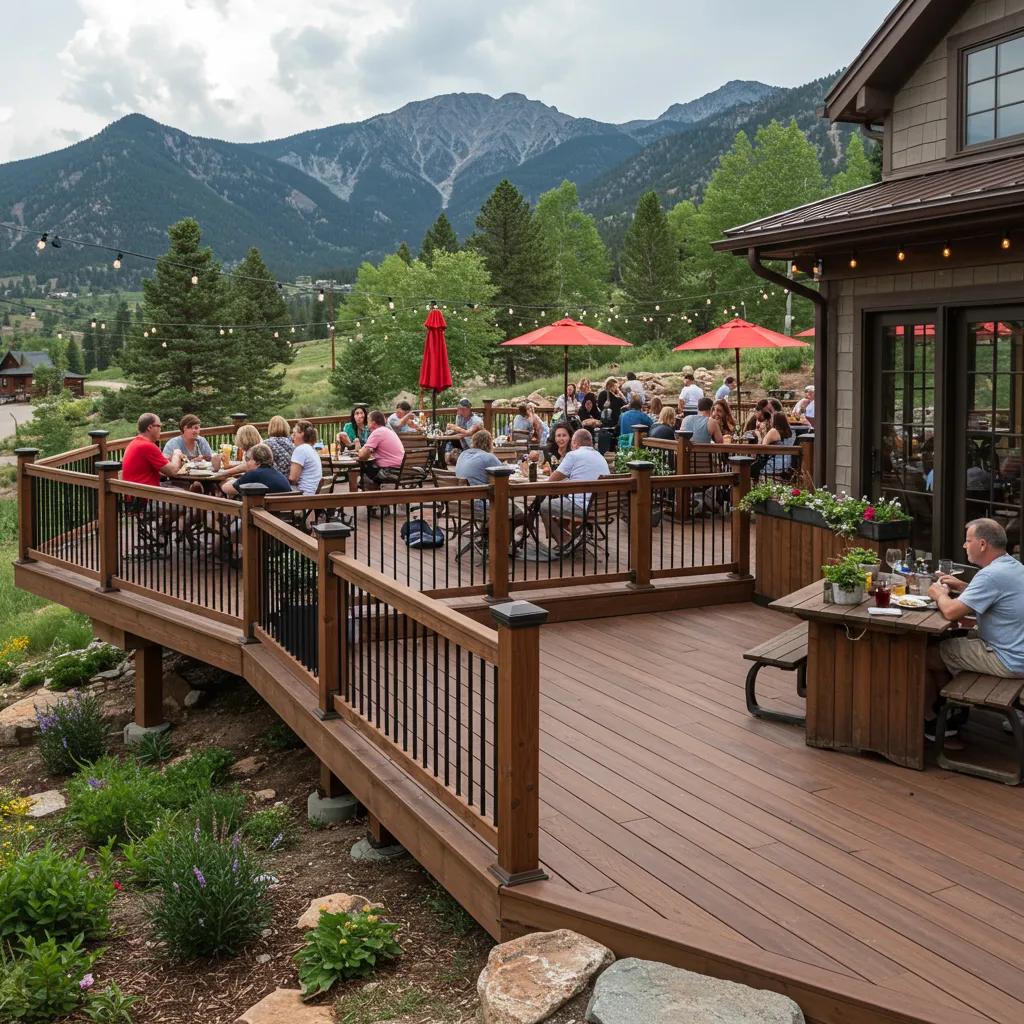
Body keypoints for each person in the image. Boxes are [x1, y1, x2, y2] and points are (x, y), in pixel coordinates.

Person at [926, 518, 1024, 741]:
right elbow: (997, 596)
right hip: (1017, 651)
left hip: (1008, 659)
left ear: (982, 544)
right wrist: (964, 588)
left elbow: (950, 612)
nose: (963, 545)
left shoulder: (990, 575)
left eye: (967, 540)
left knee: (927, 654)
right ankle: (953, 709)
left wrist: (939, 594)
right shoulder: (1013, 566)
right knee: (954, 639)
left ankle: (934, 721)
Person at [543, 429, 609, 548]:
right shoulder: (600, 456)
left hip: (582, 507)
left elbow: (552, 480)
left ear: (575, 443)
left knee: (543, 506)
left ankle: (564, 541)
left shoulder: (573, 455)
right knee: (562, 504)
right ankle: (568, 537)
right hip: (601, 508)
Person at [121, 412, 185, 487]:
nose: (161, 429)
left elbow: (162, 470)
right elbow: (172, 471)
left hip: (135, 491)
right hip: (147, 495)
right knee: (188, 492)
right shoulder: (147, 446)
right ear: (150, 427)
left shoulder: (135, 442)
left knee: (183, 486)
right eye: (159, 426)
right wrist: (176, 454)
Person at [357, 410, 406, 491]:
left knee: (364, 469)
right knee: (368, 472)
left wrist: (360, 451)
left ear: (373, 423)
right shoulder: (387, 431)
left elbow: (362, 455)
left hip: (390, 472)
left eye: (368, 421)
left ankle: (374, 499)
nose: (367, 424)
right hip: (400, 469)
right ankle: (376, 496)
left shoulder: (377, 432)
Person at [221, 443, 291, 498]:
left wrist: (222, 482)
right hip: (285, 512)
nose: (246, 463)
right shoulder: (278, 473)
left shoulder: (254, 474)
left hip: (264, 514)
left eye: (248, 459)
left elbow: (227, 489)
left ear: (255, 460)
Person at [289, 420, 323, 495]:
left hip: (303, 495)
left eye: (294, 434)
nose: (292, 437)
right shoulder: (312, 449)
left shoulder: (300, 450)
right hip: (312, 493)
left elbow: (293, 479)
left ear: (302, 434)